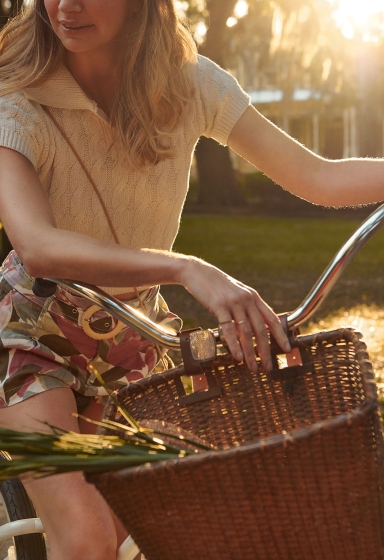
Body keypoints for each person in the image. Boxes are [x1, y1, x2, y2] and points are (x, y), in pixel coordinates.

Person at [0, 1, 383, 559]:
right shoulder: (17, 98)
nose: (66, 5)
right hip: (29, 334)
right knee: (83, 536)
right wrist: (186, 267)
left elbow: (316, 176)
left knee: (136, 531)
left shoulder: (190, 83)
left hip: (133, 340)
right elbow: (37, 246)